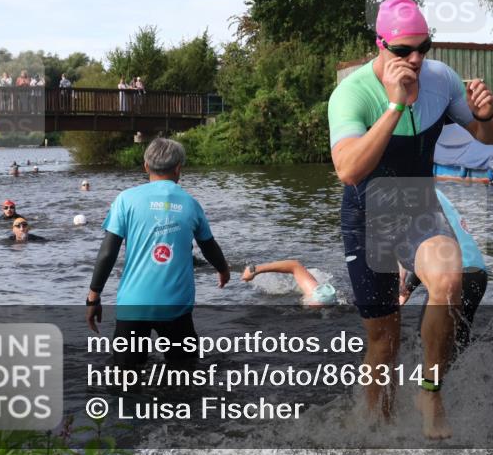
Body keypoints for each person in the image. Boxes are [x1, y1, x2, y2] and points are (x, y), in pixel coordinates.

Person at [327, 0, 493, 439]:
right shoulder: (351, 93)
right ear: (380, 45)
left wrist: (486, 117)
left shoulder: (441, 80)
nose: (417, 58)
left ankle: (430, 391)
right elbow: (348, 170)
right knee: (384, 342)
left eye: (424, 46)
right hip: (367, 217)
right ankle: (376, 428)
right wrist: (395, 105)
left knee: (448, 280)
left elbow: (490, 138)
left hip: (417, 208)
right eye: (404, 50)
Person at [85, 138, 230, 367]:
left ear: (146, 166)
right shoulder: (191, 204)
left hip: (133, 305)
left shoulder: (125, 200)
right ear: (178, 168)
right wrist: (223, 269)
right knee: (185, 374)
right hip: (176, 306)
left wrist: (93, 297)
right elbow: (208, 245)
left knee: (125, 377)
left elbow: (107, 253)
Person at [399, 189, 488, 368]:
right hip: (477, 273)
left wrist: (406, 287)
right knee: (458, 347)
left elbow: (428, 250)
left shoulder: (413, 195)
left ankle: (428, 392)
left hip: (455, 272)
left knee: (427, 347)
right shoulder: (432, 193)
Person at [241, 260, 338, 307]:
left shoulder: (317, 297)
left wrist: (255, 270)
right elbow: (294, 265)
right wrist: (255, 270)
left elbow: (294, 265)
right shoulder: (321, 296)